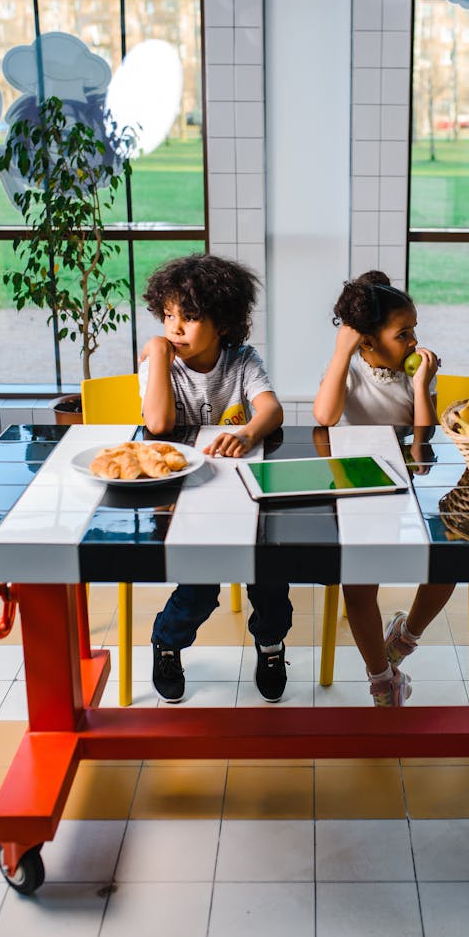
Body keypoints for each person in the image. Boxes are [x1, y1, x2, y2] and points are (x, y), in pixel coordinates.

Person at [139, 253, 292, 704]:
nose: (175, 327)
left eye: (189, 317)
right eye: (168, 316)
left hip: (244, 495)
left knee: (270, 582)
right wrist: (161, 357)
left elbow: (271, 409)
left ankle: (270, 645)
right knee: (200, 590)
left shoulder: (241, 361)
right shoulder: (160, 363)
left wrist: (246, 432)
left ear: (223, 323)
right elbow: (160, 425)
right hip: (184, 499)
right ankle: (167, 641)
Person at [313, 269, 455, 707]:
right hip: (361, 490)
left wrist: (420, 385)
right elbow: (325, 416)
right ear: (368, 342)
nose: (414, 341)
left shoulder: (415, 373)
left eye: (414, 331)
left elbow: (423, 439)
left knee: (449, 560)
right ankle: (382, 679)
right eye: (404, 333)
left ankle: (405, 638)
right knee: (359, 587)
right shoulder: (352, 372)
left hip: (412, 484)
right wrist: (342, 352)